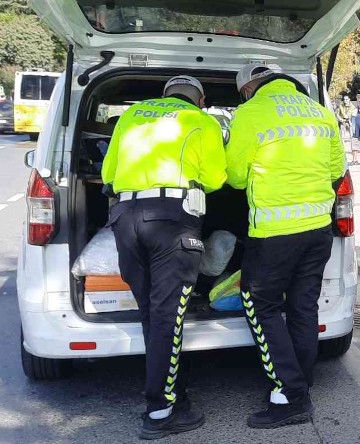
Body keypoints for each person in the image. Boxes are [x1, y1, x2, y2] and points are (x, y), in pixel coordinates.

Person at [102, 75, 226, 439]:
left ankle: (174, 394)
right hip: (171, 221)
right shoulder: (201, 121)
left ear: (166, 95)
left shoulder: (132, 115)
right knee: (167, 317)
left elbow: (109, 173)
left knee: (153, 315)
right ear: (199, 100)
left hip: (125, 220)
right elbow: (217, 178)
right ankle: (159, 411)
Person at [225, 63, 345, 428]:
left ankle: (290, 395)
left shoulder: (251, 113)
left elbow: (234, 176)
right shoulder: (321, 113)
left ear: (249, 89)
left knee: (258, 304)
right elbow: (336, 171)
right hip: (318, 229)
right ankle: (301, 382)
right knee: (303, 306)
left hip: (274, 235)